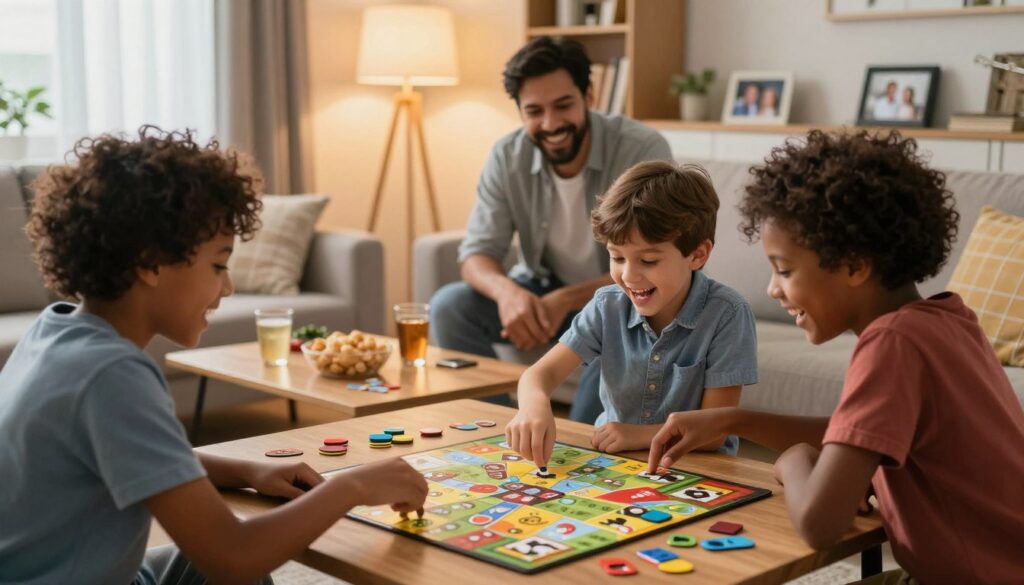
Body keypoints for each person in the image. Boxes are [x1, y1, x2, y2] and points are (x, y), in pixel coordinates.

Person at [0, 127, 428, 585]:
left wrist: (248, 470)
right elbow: (234, 561)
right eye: (218, 265)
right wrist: (354, 485)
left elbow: (124, 455)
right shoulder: (113, 374)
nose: (228, 287)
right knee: (241, 561)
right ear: (149, 262)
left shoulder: (55, 329)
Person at [647, 130, 1024, 584]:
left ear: (853, 265)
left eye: (784, 269)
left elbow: (819, 524)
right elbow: (858, 439)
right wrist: (732, 420)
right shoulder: (948, 318)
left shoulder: (893, 344)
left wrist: (792, 460)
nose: (772, 288)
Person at [430, 36, 672, 422]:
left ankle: (580, 444)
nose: (551, 124)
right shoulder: (506, 156)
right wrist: (508, 293)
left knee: (619, 338)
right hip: (543, 294)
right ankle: (498, 431)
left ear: (588, 95)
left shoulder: (640, 150)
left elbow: (657, 264)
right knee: (449, 307)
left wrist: (568, 299)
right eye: (534, 111)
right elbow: (476, 255)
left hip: (628, 298)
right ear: (520, 112)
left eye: (563, 105)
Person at [506, 161, 758, 467]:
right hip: (616, 463)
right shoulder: (607, 305)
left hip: (699, 468)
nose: (629, 275)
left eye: (649, 260)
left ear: (697, 255)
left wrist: (638, 435)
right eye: (616, 257)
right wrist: (533, 406)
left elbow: (715, 432)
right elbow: (538, 375)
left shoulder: (728, 314)